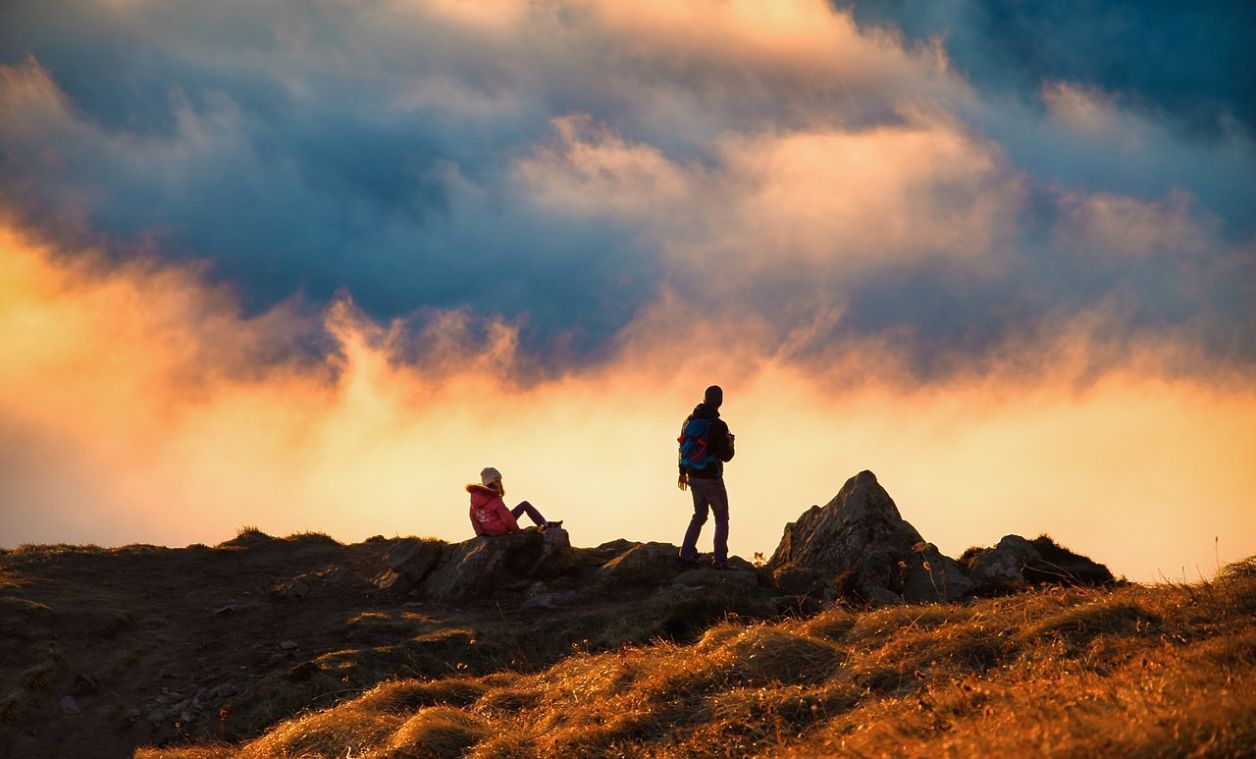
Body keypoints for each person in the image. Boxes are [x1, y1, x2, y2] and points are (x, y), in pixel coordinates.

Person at [677, 385, 735, 568]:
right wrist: (730, 443)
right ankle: (720, 560)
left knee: (699, 514)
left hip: (693, 475)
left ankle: (685, 553)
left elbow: (682, 447)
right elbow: (726, 456)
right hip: (711, 477)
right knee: (721, 517)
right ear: (720, 401)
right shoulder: (718, 425)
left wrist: (682, 472)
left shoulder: (689, 420)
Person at [466, 466, 562, 537]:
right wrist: (516, 531)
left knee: (522, 506)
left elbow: (473, 517)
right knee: (525, 505)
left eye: (500, 480)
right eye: (496, 481)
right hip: (501, 530)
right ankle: (544, 524)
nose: (499, 483)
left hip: (488, 532)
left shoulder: (474, 497)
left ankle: (544, 524)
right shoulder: (494, 499)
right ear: (489, 483)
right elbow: (507, 518)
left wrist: (481, 534)